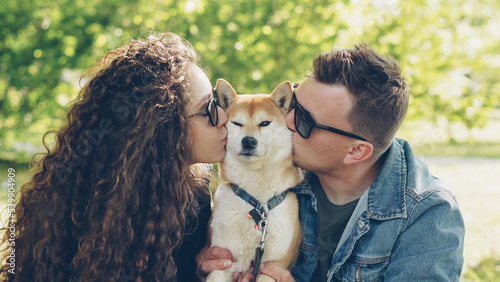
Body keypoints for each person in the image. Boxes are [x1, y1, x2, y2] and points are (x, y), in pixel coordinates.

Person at [198, 44, 465, 281]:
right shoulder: (277, 176)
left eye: (306, 121)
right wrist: (205, 267)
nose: (287, 121)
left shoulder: (429, 217)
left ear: (356, 152)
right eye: (293, 107)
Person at [0, 32, 229, 281]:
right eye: (208, 110)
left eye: (217, 103)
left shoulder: (194, 192)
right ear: (164, 128)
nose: (224, 117)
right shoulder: (98, 207)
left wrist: (198, 270)